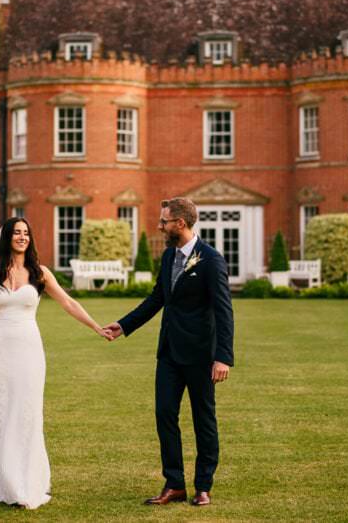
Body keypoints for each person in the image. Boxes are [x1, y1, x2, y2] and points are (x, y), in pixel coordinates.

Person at [0, 217, 109, 509]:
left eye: (26, 233)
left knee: (27, 411)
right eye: (16, 233)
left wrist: (96, 326)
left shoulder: (40, 273)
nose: (22, 237)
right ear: (6, 238)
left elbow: (68, 302)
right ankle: (2, 478)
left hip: (29, 350)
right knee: (2, 410)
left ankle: (24, 478)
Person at [103, 197, 234, 507]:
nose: (159, 226)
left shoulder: (211, 260)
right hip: (169, 354)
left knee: (204, 419)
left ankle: (203, 486)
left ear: (181, 223)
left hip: (202, 356)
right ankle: (174, 484)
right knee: (164, 414)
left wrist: (223, 356)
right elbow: (156, 299)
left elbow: (224, 311)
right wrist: (124, 326)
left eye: (164, 222)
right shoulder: (167, 257)